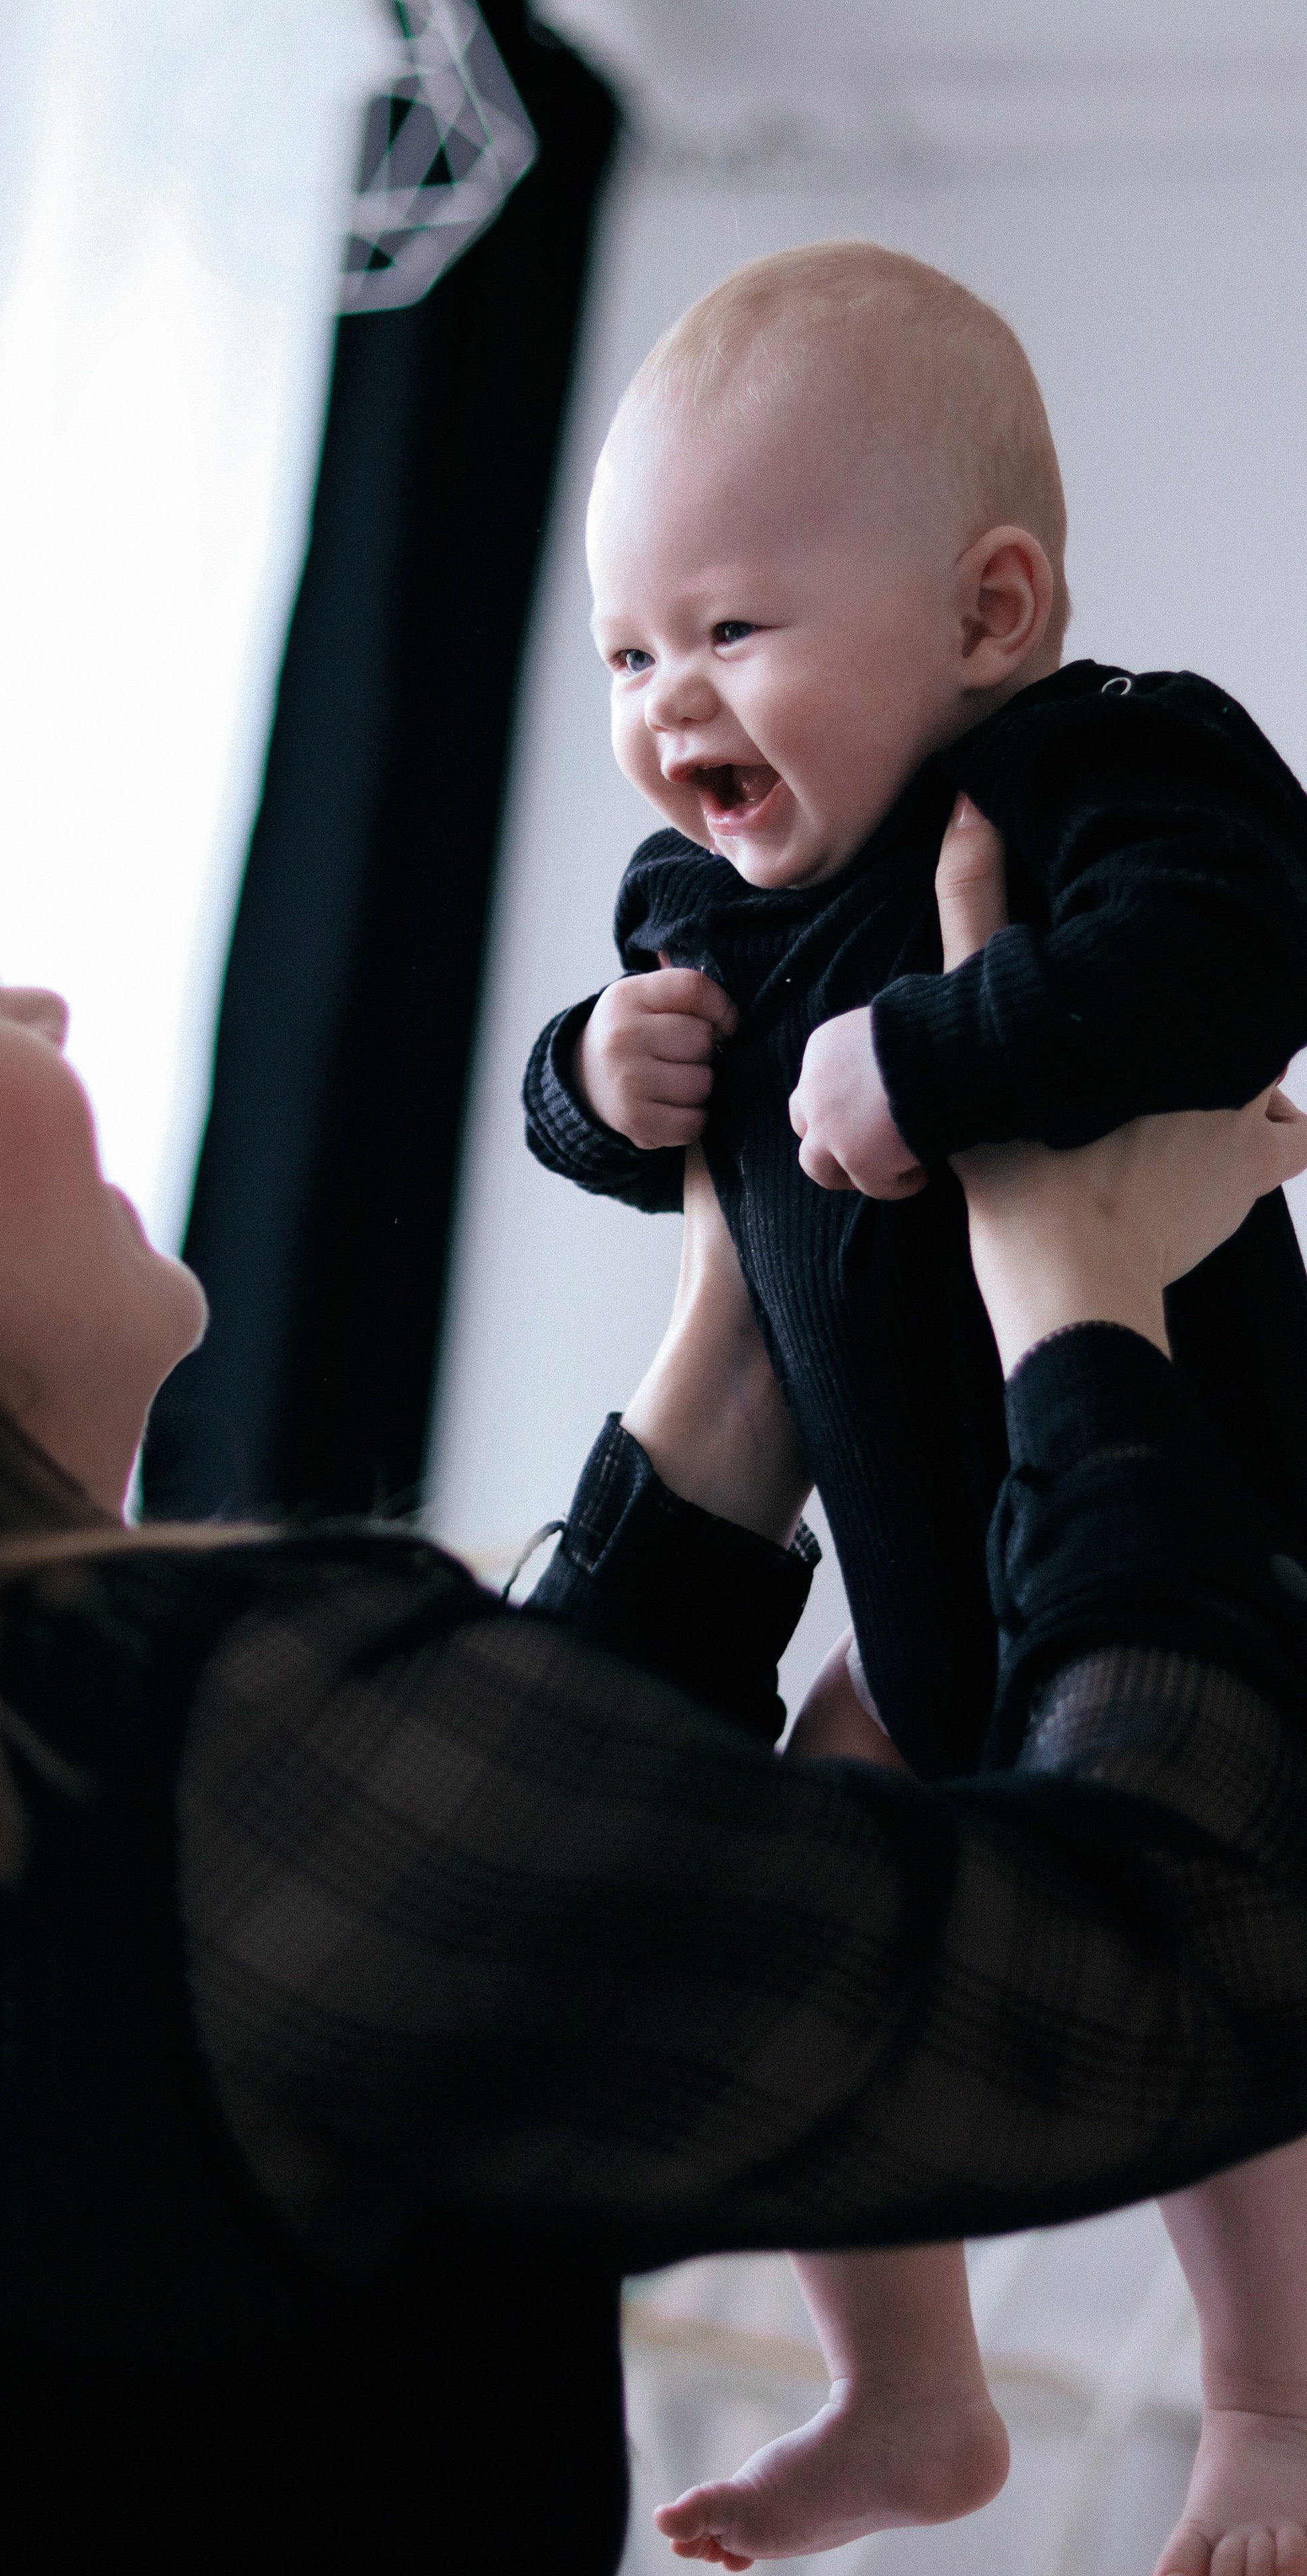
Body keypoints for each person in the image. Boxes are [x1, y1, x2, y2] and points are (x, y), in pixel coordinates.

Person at [0, 783, 1301, 2576]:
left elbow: (473, 1940)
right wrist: (1079, 1299)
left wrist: (742, 1342)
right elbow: (1188, 1955)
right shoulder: (154, 1750)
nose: (44, 1013)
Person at [519, 241, 1307, 2571]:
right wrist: (593, 1073)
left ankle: (1266, 2402)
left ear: (988, 610)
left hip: (1194, 1552)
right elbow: (603, 1124)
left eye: (736, 630)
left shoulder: (1094, 769)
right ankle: (909, 2393)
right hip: (922, 1608)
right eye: (631, 655)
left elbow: (1244, 946)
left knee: (1208, 1973)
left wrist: (935, 1054)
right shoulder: (705, 901)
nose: (673, 707)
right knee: (801, 1927)